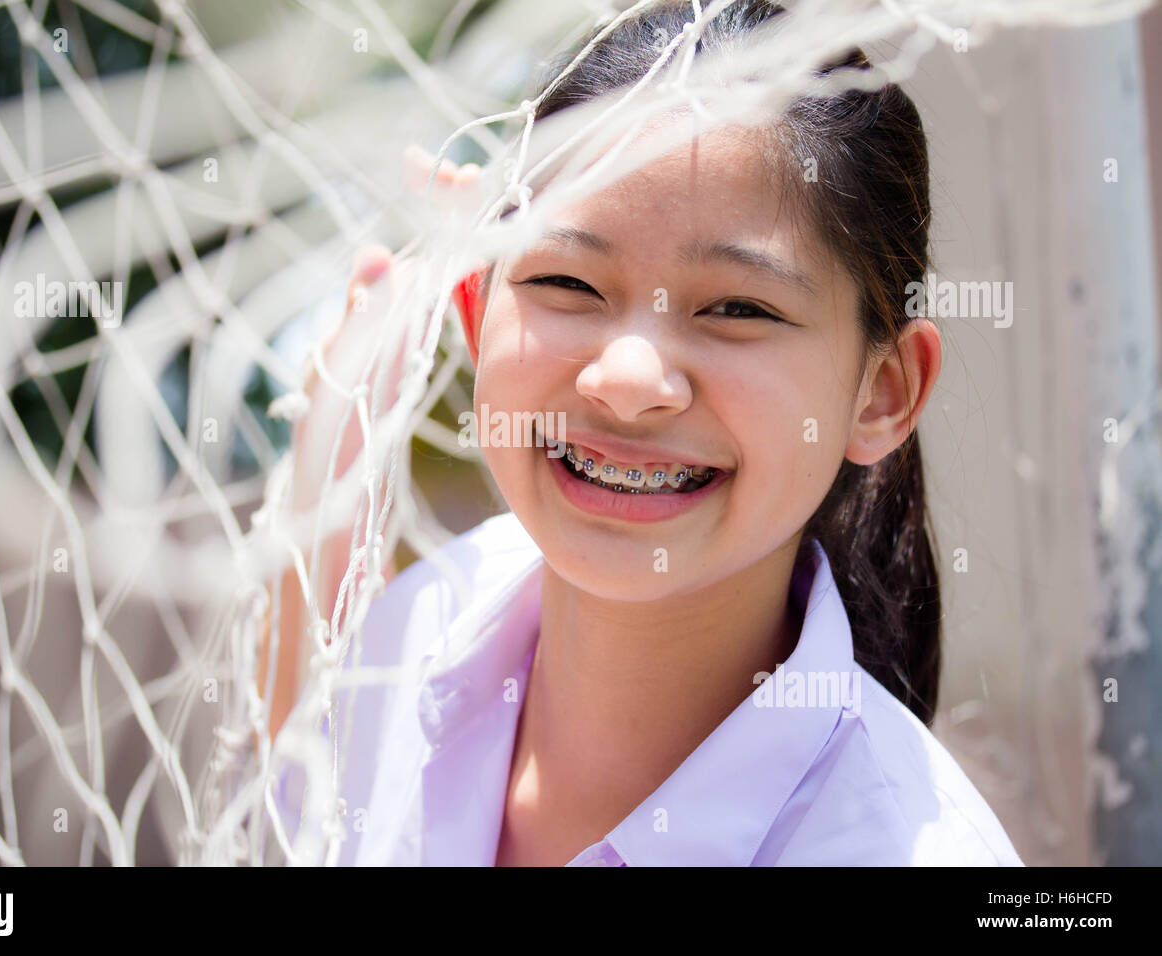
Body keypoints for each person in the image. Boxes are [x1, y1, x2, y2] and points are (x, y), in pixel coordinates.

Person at [269, 0, 1024, 866]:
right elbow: (292, 789)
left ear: (882, 393)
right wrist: (323, 489)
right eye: (567, 282)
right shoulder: (414, 631)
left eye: (738, 307)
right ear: (477, 317)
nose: (627, 382)